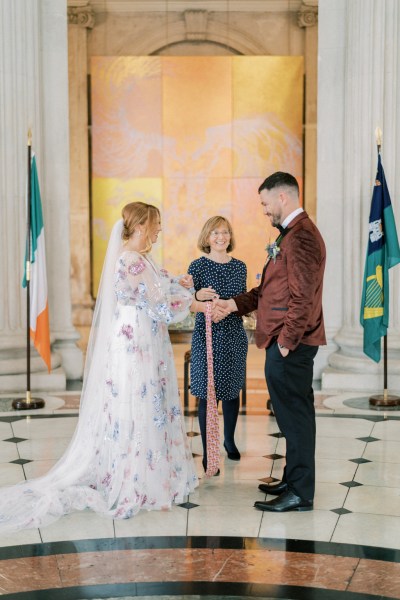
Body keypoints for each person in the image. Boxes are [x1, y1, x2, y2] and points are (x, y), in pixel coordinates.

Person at [0, 202, 208, 532]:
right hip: (135, 343)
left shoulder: (140, 258)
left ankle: (146, 471)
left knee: (144, 405)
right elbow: (160, 306)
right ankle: (135, 479)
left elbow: (160, 285)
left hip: (142, 338)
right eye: (155, 224)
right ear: (140, 226)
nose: (159, 229)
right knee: (136, 406)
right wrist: (195, 302)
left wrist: (180, 283)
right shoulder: (131, 260)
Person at [214, 172, 326, 512]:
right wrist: (233, 304)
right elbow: (269, 291)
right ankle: (293, 479)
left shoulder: (302, 237)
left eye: (265, 203)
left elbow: (302, 298)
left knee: (295, 418)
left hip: (290, 343)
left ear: (282, 198)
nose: (264, 210)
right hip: (284, 341)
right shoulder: (290, 236)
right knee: (292, 415)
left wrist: (286, 343)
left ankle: (300, 493)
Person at [188, 216, 248, 473]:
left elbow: (242, 299)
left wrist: (225, 310)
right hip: (207, 337)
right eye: (215, 233)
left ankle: (229, 440)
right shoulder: (197, 266)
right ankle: (207, 448)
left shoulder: (240, 267)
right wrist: (197, 295)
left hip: (233, 334)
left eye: (225, 232)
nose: (221, 237)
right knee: (206, 393)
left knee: (232, 391)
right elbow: (187, 301)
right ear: (207, 237)